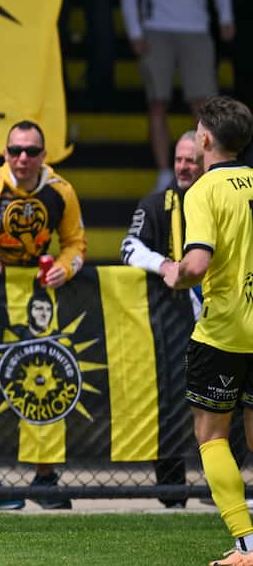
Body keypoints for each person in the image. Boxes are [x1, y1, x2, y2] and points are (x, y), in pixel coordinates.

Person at [0, 120, 87, 509]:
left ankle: (45, 477)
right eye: (15, 151)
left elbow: (76, 242)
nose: (22, 158)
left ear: (45, 155)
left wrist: (66, 266)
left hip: (37, 300)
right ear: (4, 153)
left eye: (30, 151)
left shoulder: (62, 191)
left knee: (43, 380)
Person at [162, 95, 253, 566]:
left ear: (205, 138)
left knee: (212, 435)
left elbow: (196, 265)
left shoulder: (203, 191)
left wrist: (174, 273)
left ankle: (247, 544)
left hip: (225, 331)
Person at [121, 0, 235, 192]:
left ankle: (203, 168)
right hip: (156, 28)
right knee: (157, 102)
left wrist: (225, 16)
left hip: (196, 27)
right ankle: (162, 171)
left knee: (203, 106)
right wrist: (134, 30)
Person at [121, 131, 202, 508]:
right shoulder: (156, 204)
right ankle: (172, 493)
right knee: (171, 402)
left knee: (227, 405)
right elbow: (129, 247)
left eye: (192, 161)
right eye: (180, 159)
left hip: (223, 318)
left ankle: (223, 489)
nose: (184, 167)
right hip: (172, 322)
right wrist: (164, 264)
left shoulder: (222, 203)